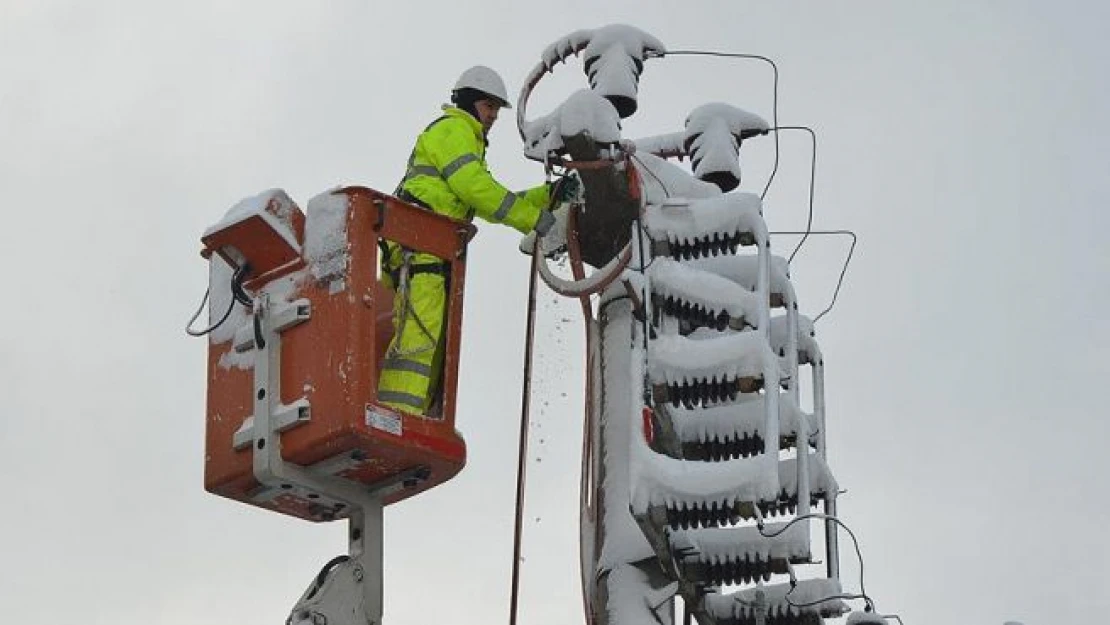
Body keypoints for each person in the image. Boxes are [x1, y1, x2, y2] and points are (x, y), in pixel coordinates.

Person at [378, 65, 578, 415]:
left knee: (431, 341)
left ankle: (412, 420)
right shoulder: (453, 128)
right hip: (419, 246)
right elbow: (475, 189)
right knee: (419, 338)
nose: (494, 117)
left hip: (428, 247)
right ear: (471, 103)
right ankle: (396, 420)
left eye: (497, 111)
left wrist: (547, 196)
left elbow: (486, 198)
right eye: (489, 108)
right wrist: (533, 220)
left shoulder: (467, 141)